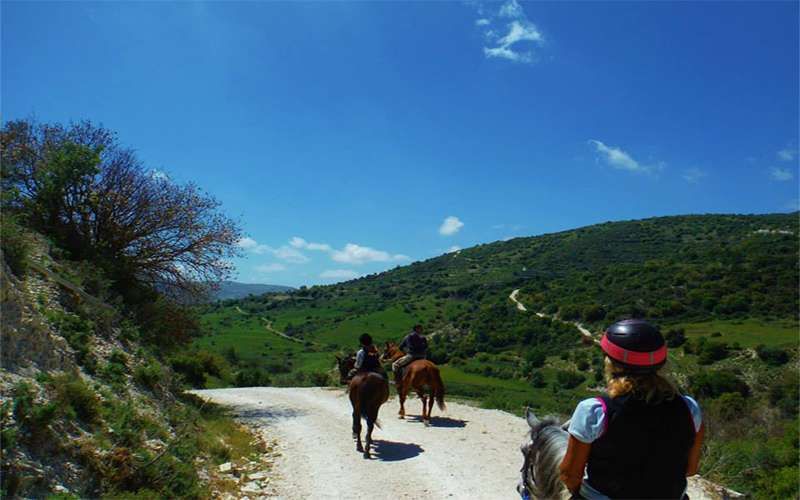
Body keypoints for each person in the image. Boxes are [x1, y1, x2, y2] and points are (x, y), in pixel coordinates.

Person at [558, 319, 704, 499]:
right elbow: (690, 469)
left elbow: (570, 475)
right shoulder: (689, 408)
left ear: (611, 364)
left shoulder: (595, 411)